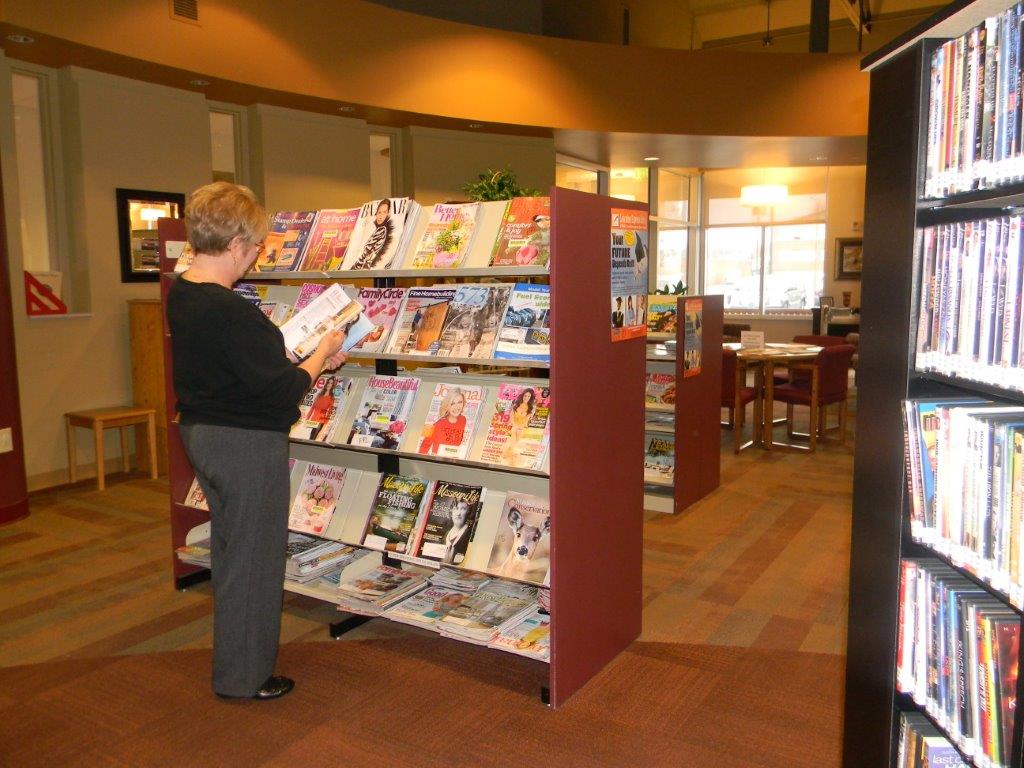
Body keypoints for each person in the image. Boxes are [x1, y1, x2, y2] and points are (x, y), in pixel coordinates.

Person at [167, 182, 347, 701]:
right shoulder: (229, 309)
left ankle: (235, 667)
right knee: (255, 558)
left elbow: (241, 368)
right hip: (245, 442)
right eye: (256, 245)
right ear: (238, 242)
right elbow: (280, 390)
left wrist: (298, 358)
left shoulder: (187, 292)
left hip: (205, 433)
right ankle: (245, 677)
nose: (256, 255)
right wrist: (322, 353)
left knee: (232, 551)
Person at [418, 387, 468, 456]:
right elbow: (422, 449)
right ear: (447, 405)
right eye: (452, 403)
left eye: (459, 402)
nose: (456, 407)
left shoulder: (463, 420)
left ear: (463, 403)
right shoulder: (436, 425)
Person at [351, 198, 393, 270]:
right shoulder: (379, 229)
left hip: (365, 266)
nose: (380, 216)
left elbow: (370, 253)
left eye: (384, 212)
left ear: (388, 214)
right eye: (379, 212)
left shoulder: (382, 229)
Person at [441, 501, 473, 565]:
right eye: (456, 508)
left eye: (463, 509)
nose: (458, 513)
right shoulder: (446, 535)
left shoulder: (470, 535)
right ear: (451, 512)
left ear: (468, 512)